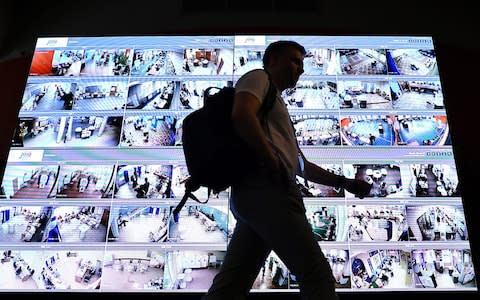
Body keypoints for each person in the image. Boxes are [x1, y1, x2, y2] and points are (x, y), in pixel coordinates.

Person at [201, 41, 372, 300]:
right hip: (270, 192)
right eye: (294, 61)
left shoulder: (276, 103)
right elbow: (241, 114)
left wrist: (344, 182)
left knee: (231, 285)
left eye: (302, 63)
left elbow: (300, 165)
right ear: (272, 60)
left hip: (255, 198)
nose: (300, 69)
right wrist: (271, 158)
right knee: (316, 275)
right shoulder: (259, 78)